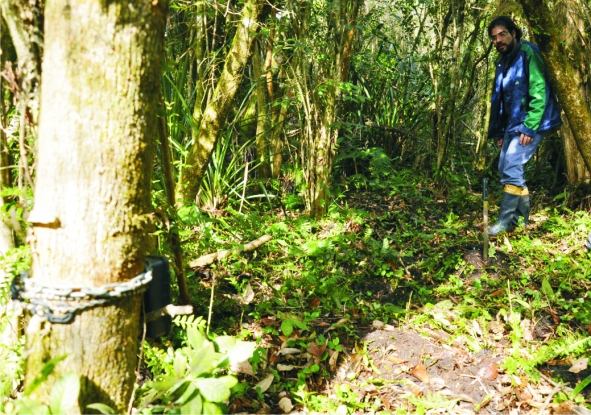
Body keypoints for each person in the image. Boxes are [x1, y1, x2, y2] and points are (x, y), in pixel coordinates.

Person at [487, 16, 562, 236]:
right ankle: (520, 221)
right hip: (512, 124)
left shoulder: (529, 53)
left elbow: (540, 92)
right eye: (494, 37)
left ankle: (506, 222)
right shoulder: (502, 61)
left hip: (532, 122)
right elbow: (501, 99)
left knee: (511, 167)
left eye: (502, 34)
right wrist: (501, 131)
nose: (498, 40)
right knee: (505, 169)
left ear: (514, 33)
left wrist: (529, 127)